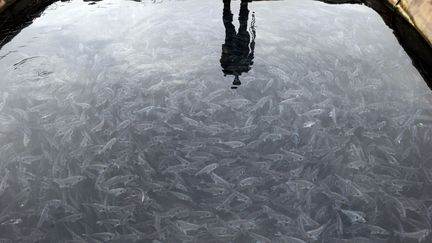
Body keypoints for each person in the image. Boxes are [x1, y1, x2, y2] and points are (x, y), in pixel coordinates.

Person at [220, 0, 256, 89]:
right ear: (239, 80)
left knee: (230, 24)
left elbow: (223, 57)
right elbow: (251, 55)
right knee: (239, 24)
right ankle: (239, 4)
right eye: (237, 81)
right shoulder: (244, 68)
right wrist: (252, 44)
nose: (236, 79)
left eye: (235, 81)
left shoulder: (227, 69)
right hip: (241, 45)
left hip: (234, 45)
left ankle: (229, 4)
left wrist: (225, 49)